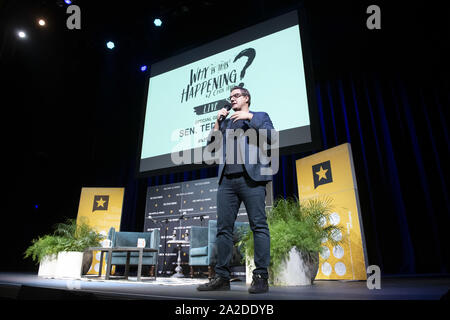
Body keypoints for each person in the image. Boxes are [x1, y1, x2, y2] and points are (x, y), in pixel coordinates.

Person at [197, 86, 277, 294]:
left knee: (258, 226)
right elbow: (211, 149)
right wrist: (217, 122)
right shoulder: (225, 122)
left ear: (247, 98)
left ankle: (261, 277)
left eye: (236, 96)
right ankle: (222, 277)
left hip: (252, 178)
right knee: (223, 229)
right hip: (227, 182)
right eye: (230, 97)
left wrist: (249, 116)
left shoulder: (259, 116)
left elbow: (271, 137)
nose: (232, 99)